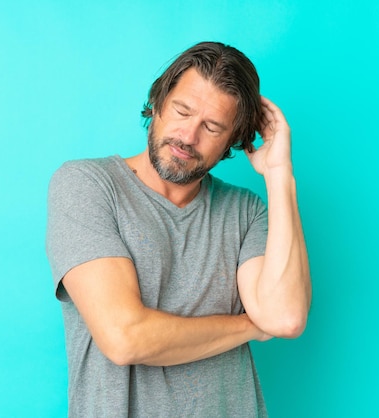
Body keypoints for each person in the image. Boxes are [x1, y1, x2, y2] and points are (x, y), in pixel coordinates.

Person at [46, 41, 311, 417]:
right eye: (182, 111)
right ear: (157, 104)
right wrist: (250, 327)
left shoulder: (246, 211)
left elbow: (284, 317)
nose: (188, 136)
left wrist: (279, 174)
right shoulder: (87, 185)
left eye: (212, 126)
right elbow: (125, 337)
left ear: (234, 141)